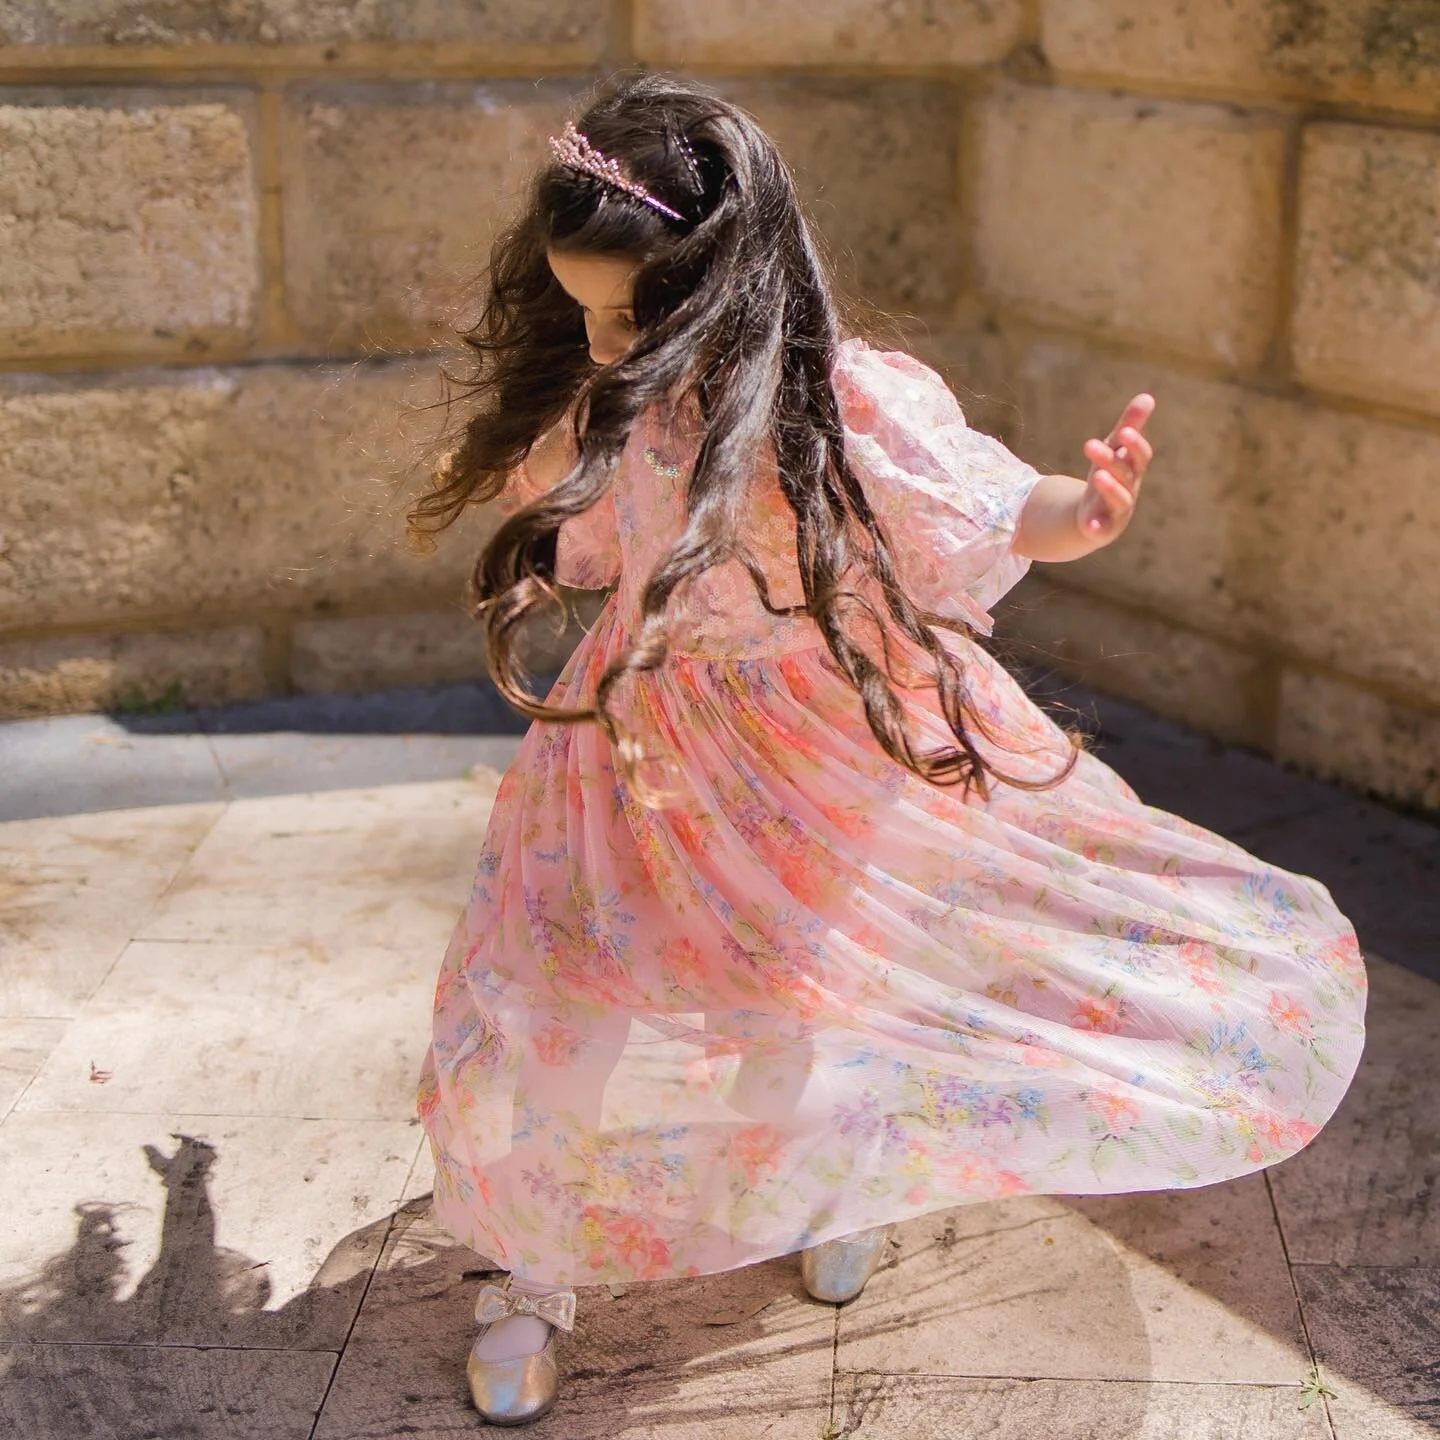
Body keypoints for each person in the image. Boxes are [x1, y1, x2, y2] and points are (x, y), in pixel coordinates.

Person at [410, 73, 1366, 1427]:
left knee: (788, 1002)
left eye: (631, 309)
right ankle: (534, 1265)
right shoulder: (616, 394)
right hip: (634, 748)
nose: (606, 336)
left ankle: (800, 1182)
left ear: (730, 280)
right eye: (586, 307)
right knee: (569, 992)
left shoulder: (850, 403)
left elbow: (986, 502)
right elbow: (600, 534)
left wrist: (1082, 510)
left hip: (803, 758)